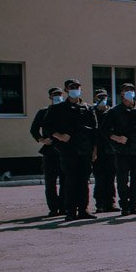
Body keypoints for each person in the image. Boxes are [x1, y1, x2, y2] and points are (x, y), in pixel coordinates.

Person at [43, 78, 98, 221]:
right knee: (70, 180)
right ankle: (71, 210)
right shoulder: (58, 108)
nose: (75, 89)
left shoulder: (87, 108)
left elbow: (94, 131)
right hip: (68, 150)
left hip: (85, 149)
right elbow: (48, 127)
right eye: (72, 87)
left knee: (84, 180)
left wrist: (94, 150)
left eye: (77, 87)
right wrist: (59, 136)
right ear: (66, 90)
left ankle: (83, 209)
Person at [105, 83, 136, 215]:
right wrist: (117, 138)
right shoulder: (114, 111)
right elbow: (104, 130)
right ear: (121, 94)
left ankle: (135, 205)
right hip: (122, 151)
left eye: (131, 90)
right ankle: (124, 206)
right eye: (126, 90)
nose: (130, 92)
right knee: (122, 180)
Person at [30, 87, 66, 216]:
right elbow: (34, 129)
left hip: (65, 150)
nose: (58, 97)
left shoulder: (66, 110)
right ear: (50, 97)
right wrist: (42, 139)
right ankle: (53, 208)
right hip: (50, 151)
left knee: (65, 180)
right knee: (50, 182)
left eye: (60, 94)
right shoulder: (44, 112)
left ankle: (64, 207)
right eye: (55, 95)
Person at [91, 89, 117, 213]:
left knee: (111, 178)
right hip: (97, 150)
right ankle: (100, 204)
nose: (102, 99)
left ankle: (111, 202)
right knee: (100, 178)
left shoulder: (111, 112)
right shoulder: (92, 112)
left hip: (110, 149)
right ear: (95, 98)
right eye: (99, 97)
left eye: (104, 96)